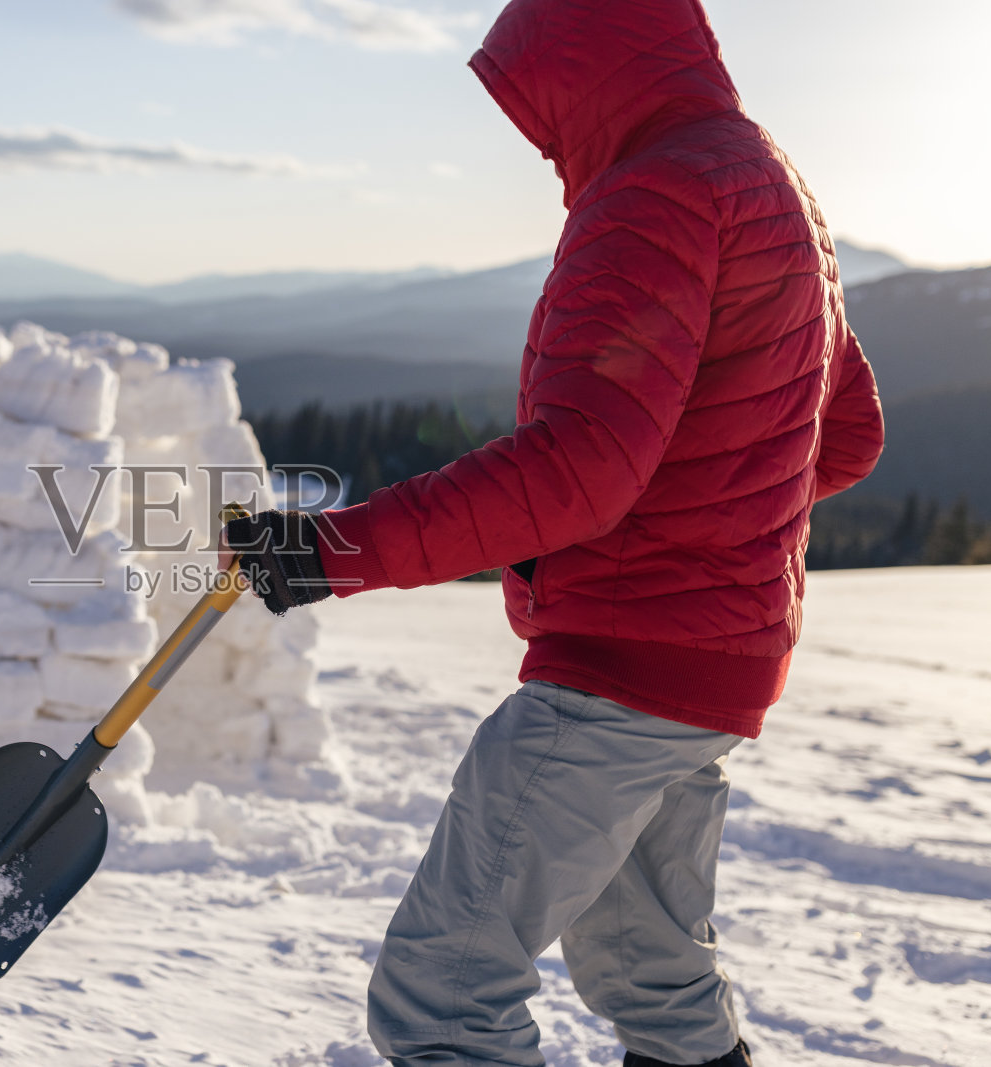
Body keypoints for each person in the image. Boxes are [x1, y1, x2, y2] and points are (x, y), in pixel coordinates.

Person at [218, 0, 886, 1064]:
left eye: (536, 102)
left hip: (617, 672)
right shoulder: (764, 178)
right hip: (711, 667)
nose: (536, 138)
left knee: (442, 997)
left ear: (581, 65)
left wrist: (332, 548)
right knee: (650, 974)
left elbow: (579, 467)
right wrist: (713, 528)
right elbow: (844, 430)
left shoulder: (651, 196)